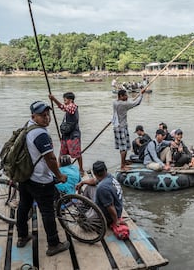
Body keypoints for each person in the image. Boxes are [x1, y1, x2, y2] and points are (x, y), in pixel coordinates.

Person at [16, 101, 70, 256]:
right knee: (47, 212)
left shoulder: (28, 126)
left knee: (24, 205)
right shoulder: (41, 134)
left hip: (25, 176)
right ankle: (53, 244)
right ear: (33, 116)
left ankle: (22, 236)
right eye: (42, 115)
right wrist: (59, 176)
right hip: (40, 180)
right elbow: (51, 159)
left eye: (47, 115)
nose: (46, 118)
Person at [75, 161, 125, 226]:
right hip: (114, 205)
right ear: (105, 170)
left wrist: (116, 221)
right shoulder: (108, 176)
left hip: (110, 214)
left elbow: (110, 206)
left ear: (94, 173)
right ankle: (83, 208)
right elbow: (94, 181)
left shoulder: (102, 187)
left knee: (83, 222)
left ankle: (90, 215)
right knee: (89, 187)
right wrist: (82, 183)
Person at [49, 92, 84, 175]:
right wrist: (54, 100)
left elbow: (64, 108)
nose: (64, 100)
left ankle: (81, 169)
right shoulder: (68, 107)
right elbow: (63, 107)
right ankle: (58, 169)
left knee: (77, 153)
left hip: (73, 135)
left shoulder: (73, 106)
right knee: (62, 153)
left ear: (71, 100)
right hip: (66, 135)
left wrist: (54, 99)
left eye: (65, 99)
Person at [112, 88, 146, 171]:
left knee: (123, 147)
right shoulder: (123, 105)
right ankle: (122, 165)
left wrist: (130, 99)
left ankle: (123, 162)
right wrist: (141, 94)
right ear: (120, 96)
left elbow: (129, 101)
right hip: (121, 128)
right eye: (125, 95)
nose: (127, 96)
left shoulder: (115, 102)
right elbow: (136, 103)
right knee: (123, 148)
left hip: (117, 127)